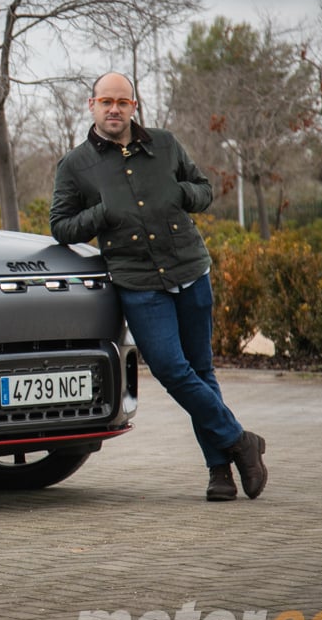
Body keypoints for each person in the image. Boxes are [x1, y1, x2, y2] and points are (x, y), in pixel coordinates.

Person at [50, 72, 268, 502]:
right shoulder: (75, 165)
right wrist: (100, 214)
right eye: (106, 101)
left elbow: (203, 190)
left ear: (135, 106)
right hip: (137, 281)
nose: (115, 109)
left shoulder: (165, 144)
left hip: (189, 269)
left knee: (201, 371)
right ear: (92, 105)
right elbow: (60, 226)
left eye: (123, 102)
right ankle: (242, 441)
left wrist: (181, 193)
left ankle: (219, 470)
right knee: (171, 369)